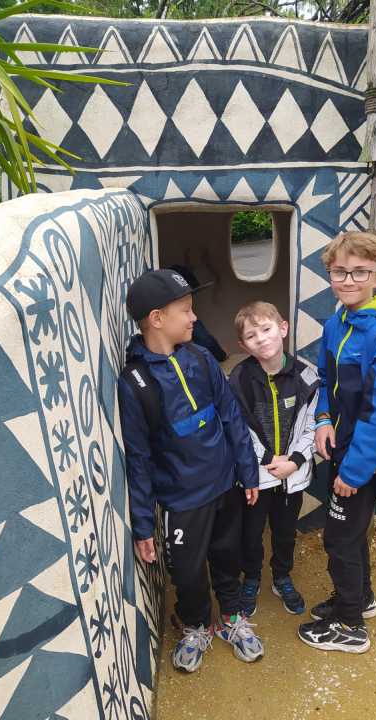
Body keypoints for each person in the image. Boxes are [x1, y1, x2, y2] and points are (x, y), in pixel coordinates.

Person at [118, 268, 263, 673]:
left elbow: (231, 416)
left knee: (228, 555)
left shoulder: (201, 357)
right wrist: (143, 524)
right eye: (185, 310)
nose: (194, 317)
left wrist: (247, 470)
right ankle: (196, 624)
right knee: (187, 570)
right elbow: (138, 458)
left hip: (224, 484)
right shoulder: (136, 383)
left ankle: (231, 617)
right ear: (157, 318)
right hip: (181, 499)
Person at [297, 232, 376, 655]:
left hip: (363, 457)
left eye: (360, 272)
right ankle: (360, 598)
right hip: (340, 445)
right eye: (339, 271)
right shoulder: (335, 324)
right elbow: (325, 380)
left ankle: (349, 625)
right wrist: (323, 419)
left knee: (339, 538)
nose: (348, 280)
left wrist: (355, 472)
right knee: (351, 533)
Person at [229, 302, 318, 617]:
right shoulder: (239, 379)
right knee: (251, 533)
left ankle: (282, 577)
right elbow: (239, 428)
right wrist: (268, 459)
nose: (261, 339)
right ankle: (251, 578)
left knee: (285, 531)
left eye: (266, 329)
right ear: (243, 345)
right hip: (257, 475)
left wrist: (295, 460)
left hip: (292, 473)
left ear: (283, 328)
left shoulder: (307, 375)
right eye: (251, 336)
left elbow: (313, 424)